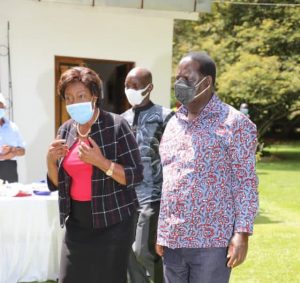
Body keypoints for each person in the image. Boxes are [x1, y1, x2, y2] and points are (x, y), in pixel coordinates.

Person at [155, 51, 259, 283]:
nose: (180, 83)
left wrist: (242, 233)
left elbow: (246, 183)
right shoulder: (173, 123)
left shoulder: (235, 123)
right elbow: (169, 180)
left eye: (187, 78)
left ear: (207, 82)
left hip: (211, 242)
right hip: (173, 240)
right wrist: (163, 232)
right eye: (178, 78)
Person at [46, 67, 144, 283]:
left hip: (113, 224)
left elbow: (135, 175)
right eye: (69, 98)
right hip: (77, 224)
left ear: (94, 96)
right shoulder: (65, 130)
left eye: (80, 96)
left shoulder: (117, 126)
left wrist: (101, 162)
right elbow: (57, 183)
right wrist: (49, 159)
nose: (74, 103)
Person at [122, 67, 173, 283]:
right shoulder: (122, 119)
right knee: (127, 253)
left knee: (144, 250)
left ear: (149, 87)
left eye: (135, 86)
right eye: (127, 86)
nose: (129, 90)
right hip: (125, 196)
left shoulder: (166, 116)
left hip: (153, 195)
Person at [0, 93, 25, 183]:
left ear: (5, 108)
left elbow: (23, 151)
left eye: (1, 106)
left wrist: (12, 149)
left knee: (12, 195)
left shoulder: (12, 126)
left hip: (11, 170)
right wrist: (4, 156)